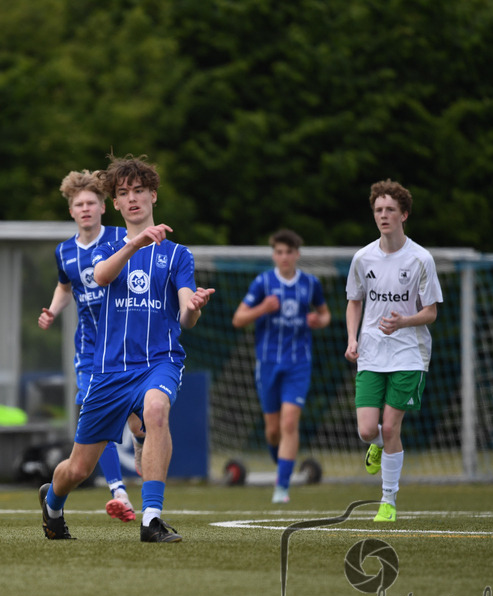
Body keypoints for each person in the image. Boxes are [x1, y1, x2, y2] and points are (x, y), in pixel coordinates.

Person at [39, 154, 214, 543]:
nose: (132, 198)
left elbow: (187, 316)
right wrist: (135, 243)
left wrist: (194, 306)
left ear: (153, 195)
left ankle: (151, 519)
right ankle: (52, 503)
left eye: (139, 190)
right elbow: (101, 276)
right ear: (115, 203)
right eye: (123, 193)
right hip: (109, 368)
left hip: (158, 361)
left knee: (156, 410)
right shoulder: (107, 243)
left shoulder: (178, 254)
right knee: (78, 469)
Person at [38, 169, 134, 521]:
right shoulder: (64, 251)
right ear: (71, 211)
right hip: (90, 352)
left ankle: (138, 451)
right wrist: (53, 310)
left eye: (91, 203)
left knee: (141, 423)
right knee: (99, 417)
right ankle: (118, 492)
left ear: (103, 207)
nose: (86, 209)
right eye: (79, 204)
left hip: (128, 346)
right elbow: (65, 287)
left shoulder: (122, 238)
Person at [345, 179, 442, 523]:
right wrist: (352, 339)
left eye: (390, 210)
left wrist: (404, 321)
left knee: (389, 428)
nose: (383, 215)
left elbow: (431, 312)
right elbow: (354, 301)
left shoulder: (420, 259)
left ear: (404, 214)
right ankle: (376, 446)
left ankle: (388, 501)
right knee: (367, 431)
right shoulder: (362, 258)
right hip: (372, 352)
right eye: (378, 210)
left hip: (409, 353)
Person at [232, 229, 330, 504]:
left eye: (289, 252)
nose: (284, 257)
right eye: (279, 252)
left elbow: (325, 315)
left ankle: (282, 487)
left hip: (298, 364)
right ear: (274, 255)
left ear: (297, 254)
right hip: (267, 364)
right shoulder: (263, 283)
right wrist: (262, 308)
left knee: (289, 422)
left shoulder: (310, 283)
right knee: (273, 430)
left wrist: (318, 321)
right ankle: (282, 464)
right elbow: (238, 319)